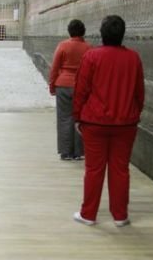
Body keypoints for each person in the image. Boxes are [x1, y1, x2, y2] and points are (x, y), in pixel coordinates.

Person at [72, 15, 145, 227]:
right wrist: (134, 113)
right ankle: (120, 216)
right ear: (122, 34)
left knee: (94, 170)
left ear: (102, 34)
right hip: (125, 124)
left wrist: (77, 116)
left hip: (94, 122)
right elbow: (139, 93)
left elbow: (81, 90)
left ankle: (88, 214)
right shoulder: (134, 58)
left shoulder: (91, 56)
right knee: (120, 170)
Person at [48, 19, 90, 160]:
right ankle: (78, 152)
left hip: (63, 85)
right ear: (83, 32)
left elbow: (54, 68)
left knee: (64, 118)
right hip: (81, 87)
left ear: (69, 31)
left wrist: (52, 86)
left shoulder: (63, 46)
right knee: (80, 118)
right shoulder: (88, 48)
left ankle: (66, 152)